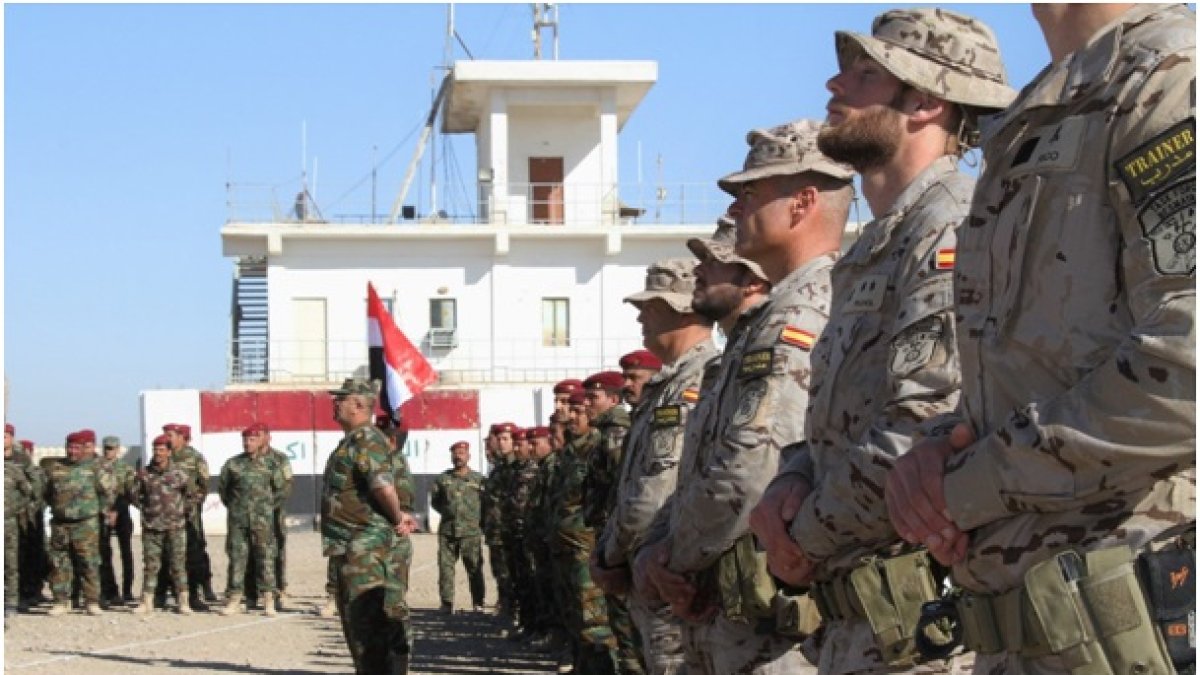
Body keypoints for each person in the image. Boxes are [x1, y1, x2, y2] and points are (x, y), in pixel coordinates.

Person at [885, 5, 1195, 675]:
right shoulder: (1048, 108)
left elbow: (1188, 364)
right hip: (1030, 631)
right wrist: (938, 449)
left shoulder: (1173, 77)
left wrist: (968, 486)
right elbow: (1026, 370)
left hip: (1140, 624)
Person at [747, 9, 1016, 673]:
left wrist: (801, 535)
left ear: (925, 99)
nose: (836, 84)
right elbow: (839, 418)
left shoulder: (951, 223)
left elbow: (923, 422)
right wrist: (794, 475)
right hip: (859, 622)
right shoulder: (876, 247)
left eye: (866, 73)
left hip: (921, 627)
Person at [634, 119, 855, 674]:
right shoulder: (761, 328)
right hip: (726, 600)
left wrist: (674, 558)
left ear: (803, 202)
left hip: (771, 620)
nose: (734, 211)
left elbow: (750, 466)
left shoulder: (802, 315)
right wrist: (664, 551)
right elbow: (699, 471)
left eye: (750, 194)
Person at [593, 259, 718, 675]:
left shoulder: (694, 382)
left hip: (667, 569)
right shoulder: (669, 384)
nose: (641, 315)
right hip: (651, 566)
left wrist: (610, 556)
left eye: (652, 305)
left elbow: (655, 491)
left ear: (682, 308)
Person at [321, 378, 418, 675]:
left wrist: (397, 517)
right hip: (349, 546)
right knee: (357, 627)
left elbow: (382, 486)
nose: (335, 403)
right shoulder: (351, 441)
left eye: (342, 399)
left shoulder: (367, 439)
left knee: (368, 628)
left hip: (364, 547)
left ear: (359, 405)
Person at [552, 391, 620, 674]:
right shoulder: (570, 451)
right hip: (567, 546)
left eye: (577, 411)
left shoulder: (599, 446)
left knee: (595, 621)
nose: (571, 417)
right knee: (574, 616)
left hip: (588, 546)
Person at [580, 370, 642, 675]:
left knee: (623, 620)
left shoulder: (615, 433)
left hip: (618, 538)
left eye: (594, 397)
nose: (587, 403)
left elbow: (621, 488)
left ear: (613, 400)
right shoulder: (604, 433)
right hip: (609, 533)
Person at [218, 422, 287, 616]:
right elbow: (224, 491)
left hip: (263, 521)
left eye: (252, 439)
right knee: (237, 559)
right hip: (238, 521)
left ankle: (268, 599)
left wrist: (266, 509)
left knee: (265, 558)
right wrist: (237, 508)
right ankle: (234, 599)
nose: (248, 443)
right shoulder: (233, 464)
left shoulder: (272, 464)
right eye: (245, 439)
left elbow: (281, 490)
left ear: (261, 440)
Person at [44, 431, 115, 616]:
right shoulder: (56, 468)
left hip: (86, 524)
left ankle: (91, 601)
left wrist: (98, 511)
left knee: (89, 563)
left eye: (76, 448)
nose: (72, 451)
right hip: (60, 524)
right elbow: (47, 493)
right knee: (59, 563)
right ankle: (61, 601)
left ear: (84, 449)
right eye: (69, 447)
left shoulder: (95, 468)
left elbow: (108, 493)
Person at [132, 434, 200, 615]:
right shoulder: (144, 474)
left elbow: (192, 495)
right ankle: (147, 601)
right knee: (151, 565)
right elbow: (134, 495)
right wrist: (147, 510)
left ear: (169, 452)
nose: (158, 453)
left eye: (162, 450)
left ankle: (183, 601)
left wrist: (180, 511)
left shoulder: (180, 474)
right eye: (155, 449)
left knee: (178, 565)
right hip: (152, 527)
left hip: (175, 527)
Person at [156, 422, 217, 611]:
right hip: (164, 515)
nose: (167, 438)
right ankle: (162, 594)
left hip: (188, 515)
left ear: (182, 437)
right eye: (165, 434)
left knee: (193, 554)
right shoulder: (162, 457)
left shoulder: (195, 458)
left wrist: (188, 506)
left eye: (171, 435)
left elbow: (203, 486)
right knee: (163, 554)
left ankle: (195, 593)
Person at [430, 440, 486, 613]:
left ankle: (478, 602)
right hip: (448, 530)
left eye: (462, 453)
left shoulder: (479, 480)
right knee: (446, 568)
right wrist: (449, 514)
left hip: (471, 531)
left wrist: (476, 519)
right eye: (455, 453)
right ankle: (446, 603)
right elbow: (436, 502)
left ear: (468, 456)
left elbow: (486, 503)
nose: (458, 456)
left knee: (474, 567)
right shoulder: (443, 479)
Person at [244, 426, 294, 612]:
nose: (256, 439)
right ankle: (251, 593)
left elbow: (287, 485)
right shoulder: (246, 460)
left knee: (276, 553)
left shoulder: (279, 459)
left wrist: (270, 506)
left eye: (260, 435)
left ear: (268, 437)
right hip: (251, 515)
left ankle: (279, 590)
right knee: (249, 552)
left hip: (273, 514)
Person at [98, 435, 137, 607]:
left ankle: (127, 590)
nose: (109, 451)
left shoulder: (125, 468)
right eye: (107, 448)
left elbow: (129, 493)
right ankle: (109, 590)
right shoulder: (96, 467)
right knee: (104, 553)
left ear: (118, 449)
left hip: (121, 513)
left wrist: (116, 511)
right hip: (101, 514)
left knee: (126, 553)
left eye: (112, 448)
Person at [5, 431, 32, 619]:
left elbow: (27, 492)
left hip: (7, 523)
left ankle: (11, 601)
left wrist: (14, 508)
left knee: (9, 563)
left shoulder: (14, 469)